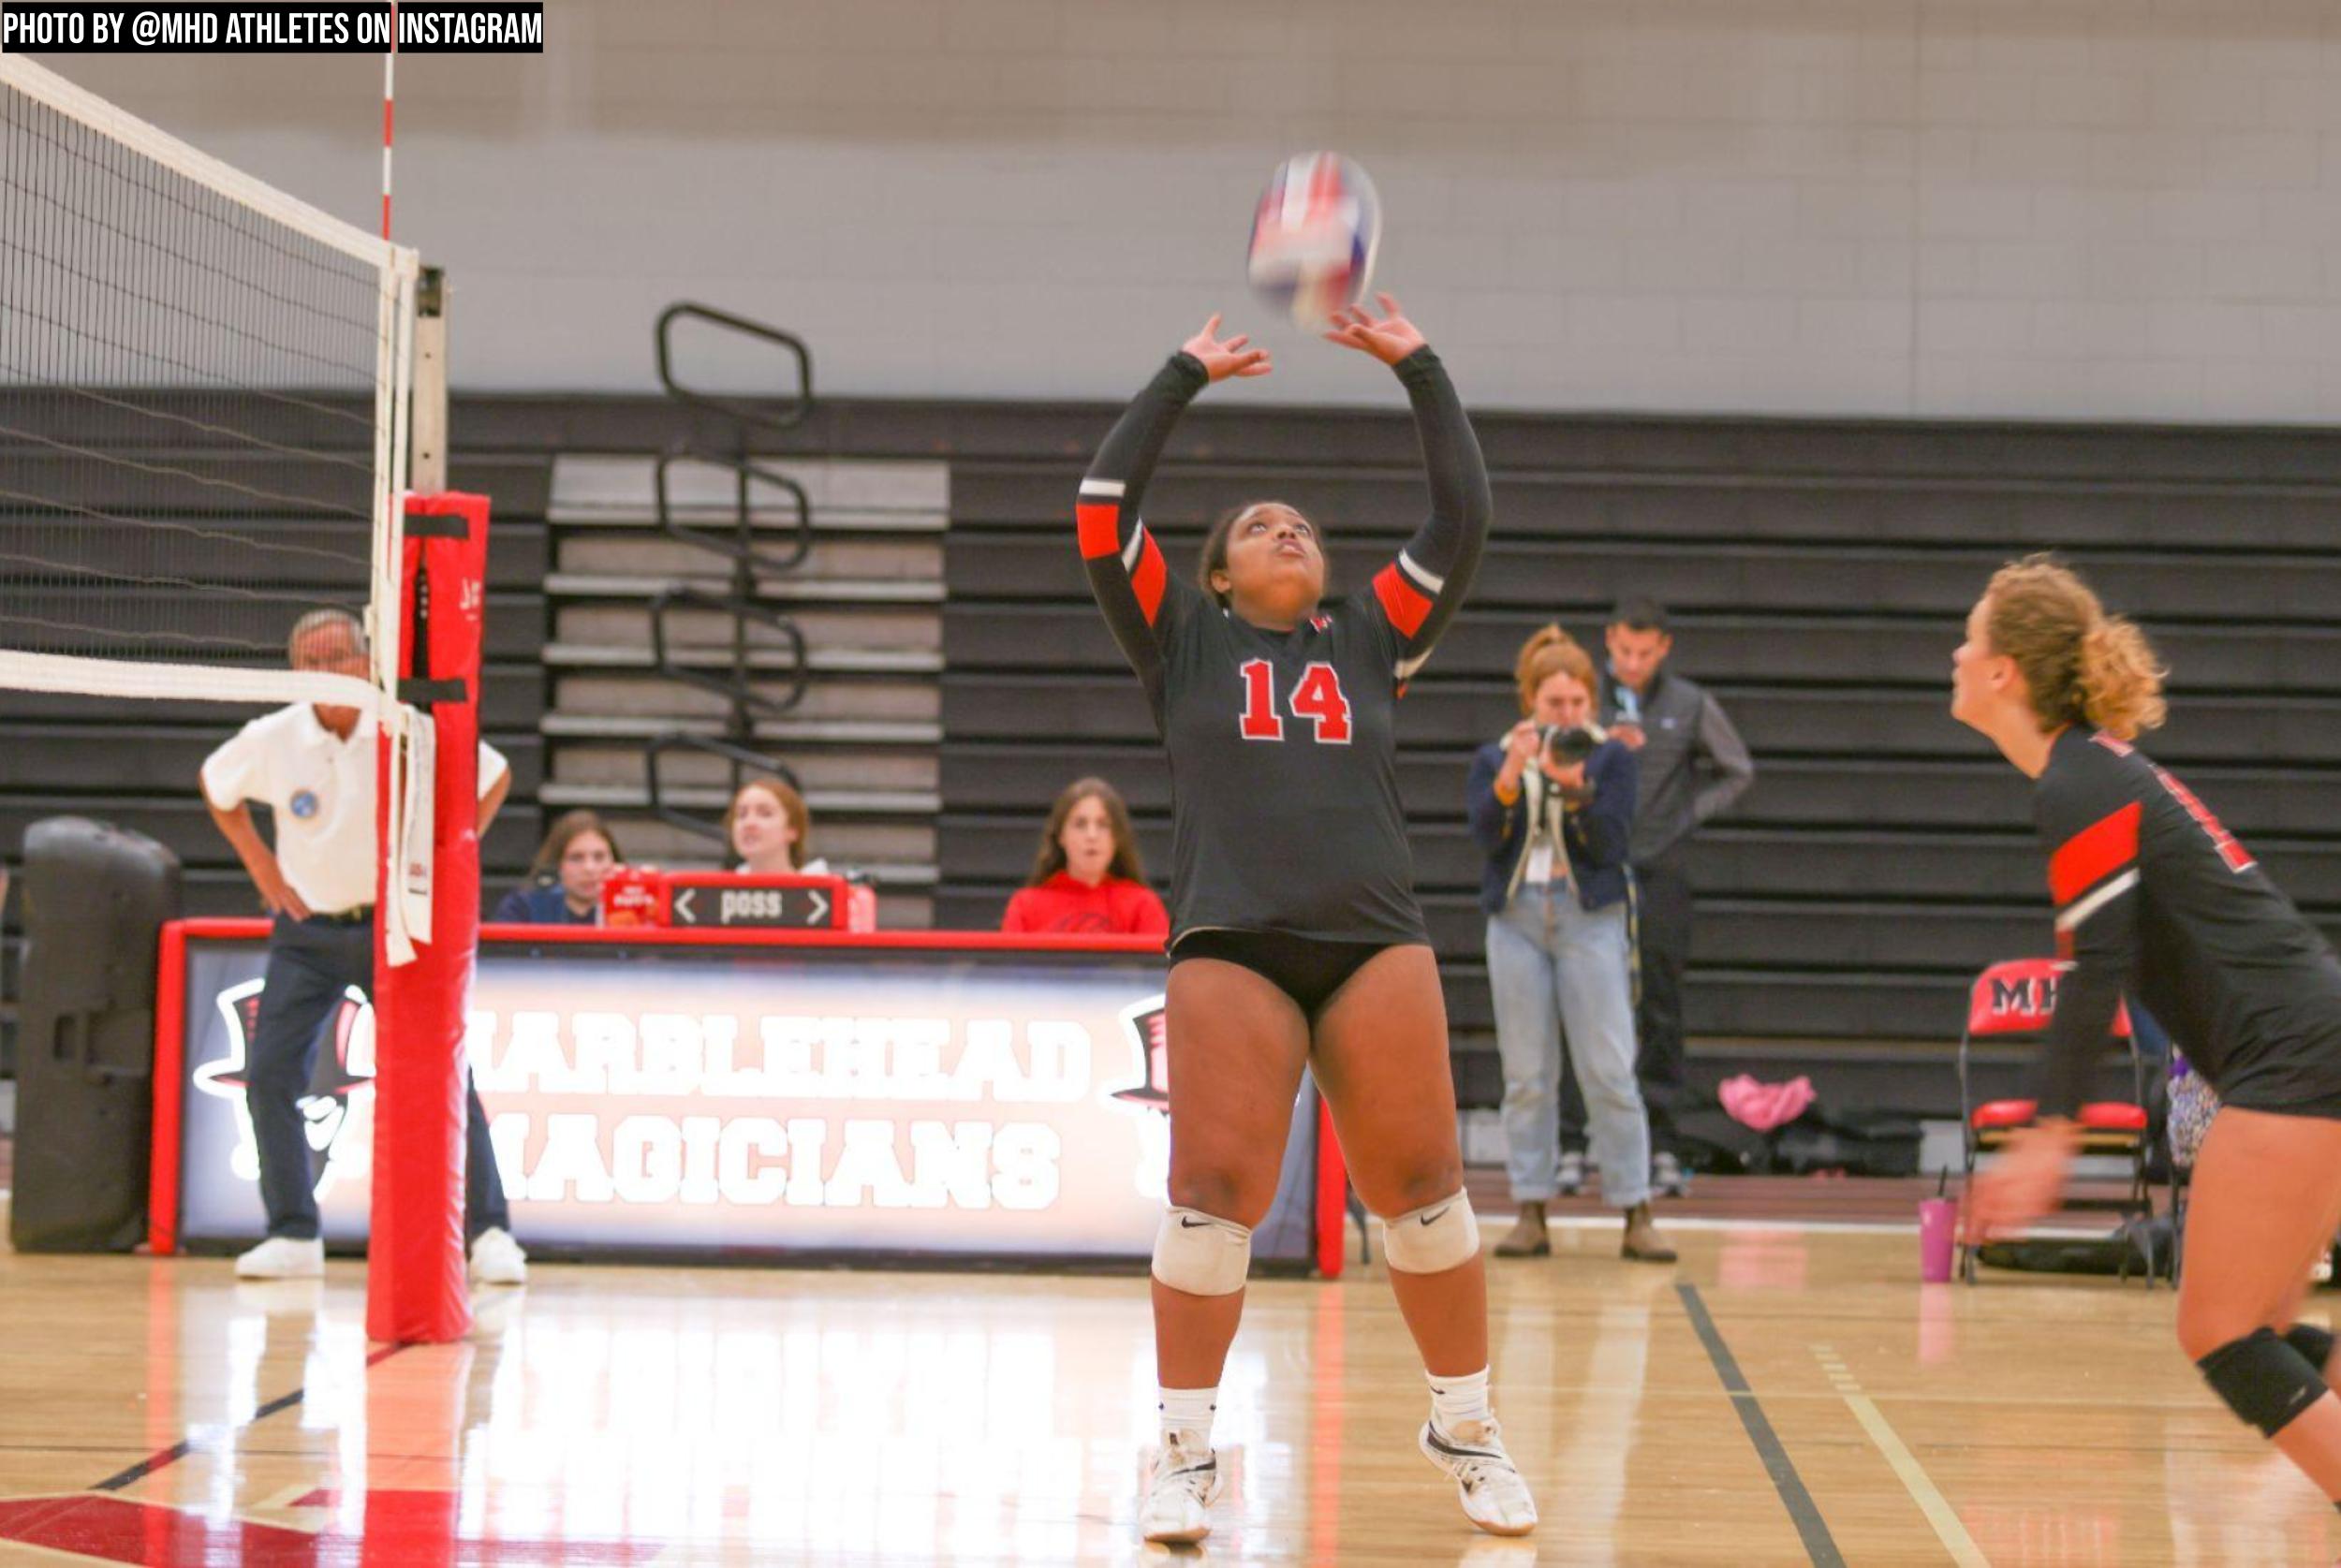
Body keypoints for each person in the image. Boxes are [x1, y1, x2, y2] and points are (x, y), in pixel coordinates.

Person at [1083, 296, 1535, 1545]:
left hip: (1372, 933)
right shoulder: (1179, 634)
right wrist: (1181, 373)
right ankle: (1181, 1450)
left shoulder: (1377, 632)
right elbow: (1099, 510)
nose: (1286, 527)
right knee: (1212, 1190)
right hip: (1232, 936)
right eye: (1255, 525)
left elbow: (1464, 518)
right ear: (1220, 571)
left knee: (1427, 1192)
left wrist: (1421, 366)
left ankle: (1468, 1421)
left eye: (1301, 524)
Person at [1957, 555, 2341, 1513]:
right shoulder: (2094, 771)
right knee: (2271, 1331)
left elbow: (2095, 971)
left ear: (2004, 671)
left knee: (2220, 1333)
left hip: (2289, 1058)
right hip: (2306, 1042)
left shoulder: (2080, 781)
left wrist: (2048, 1133)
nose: (1956, 653)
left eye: (1970, 637)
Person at [200, 608, 526, 1285]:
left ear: (364, 658)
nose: (324, 672)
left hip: (395, 930)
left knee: (443, 1076)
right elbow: (216, 782)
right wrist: (260, 865)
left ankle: (491, 1231)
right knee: (269, 1076)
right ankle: (292, 1231)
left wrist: (448, 855)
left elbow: (492, 774)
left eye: (336, 657)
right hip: (308, 933)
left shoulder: (402, 723)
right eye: (309, 661)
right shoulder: (272, 736)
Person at [1467, 626, 1673, 1265]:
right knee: (1527, 1074)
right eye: (1554, 704)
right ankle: (1530, 1208)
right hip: (1518, 919)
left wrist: (1572, 782)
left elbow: (1610, 844)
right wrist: (1513, 774)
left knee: (1609, 1068)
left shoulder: (1611, 756)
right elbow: (1488, 837)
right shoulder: (1496, 755)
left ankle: (1636, 1209)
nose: (1567, 715)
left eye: (1577, 703)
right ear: (1529, 701)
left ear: (1592, 700)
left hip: (1588, 918)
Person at [1553, 596, 1755, 1198]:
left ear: (1663, 648)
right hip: (1591, 864)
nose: (1633, 663)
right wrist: (1590, 745)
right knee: (1582, 1000)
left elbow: (1737, 769)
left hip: (1660, 869)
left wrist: (1683, 817)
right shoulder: (1582, 692)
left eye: (1645, 653)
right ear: (1608, 642)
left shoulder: (1690, 704)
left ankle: (1663, 1145)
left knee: (1660, 1006)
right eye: (1623, 652)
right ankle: (1571, 1142)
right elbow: (1547, 754)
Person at [1000, 777, 1169, 937]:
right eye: (1080, 824)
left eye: (1103, 825)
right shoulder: (1025, 905)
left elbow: (1162, 965)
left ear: (1117, 837)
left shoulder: (1143, 905)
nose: (1092, 835)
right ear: (1061, 836)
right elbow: (1007, 966)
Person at [493, 810, 622, 925]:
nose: (589, 868)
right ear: (557, 863)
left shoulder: (635, 910)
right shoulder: (522, 908)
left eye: (599, 857)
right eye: (576, 858)